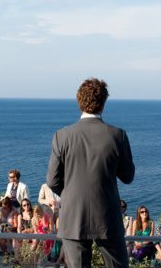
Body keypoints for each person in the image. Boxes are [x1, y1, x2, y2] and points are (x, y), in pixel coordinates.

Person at [46, 78, 135, 268]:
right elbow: (128, 176)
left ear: (79, 102)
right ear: (103, 103)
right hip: (107, 216)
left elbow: (52, 180)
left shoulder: (62, 136)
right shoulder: (117, 135)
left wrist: (71, 193)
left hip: (73, 216)